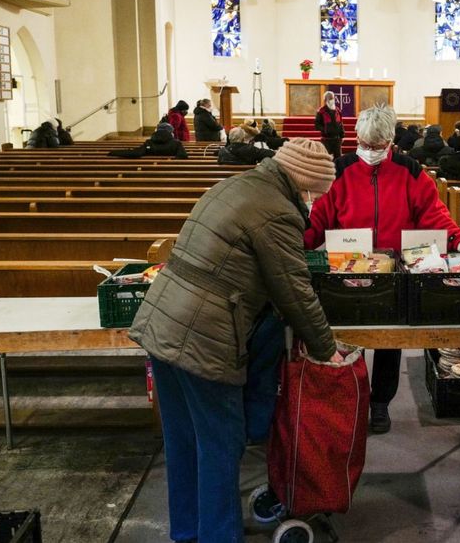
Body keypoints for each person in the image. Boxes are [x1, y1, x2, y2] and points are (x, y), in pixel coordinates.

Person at [128, 144, 341, 543]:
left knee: (183, 443)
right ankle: (219, 536)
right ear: (305, 185)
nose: (316, 202)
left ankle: (188, 532)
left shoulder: (234, 186)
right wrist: (328, 350)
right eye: (318, 193)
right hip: (205, 340)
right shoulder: (277, 210)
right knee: (220, 448)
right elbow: (294, 291)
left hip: (163, 326)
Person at [305, 103, 460, 433]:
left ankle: (380, 403)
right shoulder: (340, 169)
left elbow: (434, 214)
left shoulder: (410, 170)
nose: (371, 152)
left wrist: (459, 241)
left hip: (395, 267)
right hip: (348, 265)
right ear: (356, 138)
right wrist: (296, 241)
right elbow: (318, 217)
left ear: (390, 141)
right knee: (348, 337)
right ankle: (352, 399)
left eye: (378, 146)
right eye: (365, 145)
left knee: (390, 340)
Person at [108, 122, 188, 159]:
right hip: (171, 173)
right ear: (171, 132)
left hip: (151, 173)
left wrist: (113, 152)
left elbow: (136, 153)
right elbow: (183, 156)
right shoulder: (176, 143)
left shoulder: (149, 143)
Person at [314, 91, 345, 157]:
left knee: (338, 158)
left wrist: (342, 135)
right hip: (326, 140)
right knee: (326, 157)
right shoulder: (321, 111)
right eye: (329, 98)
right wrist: (325, 130)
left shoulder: (338, 110)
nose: (332, 100)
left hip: (337, 139)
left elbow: (340, 123)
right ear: (325, 100)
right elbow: (317, 125)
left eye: (332, 98)